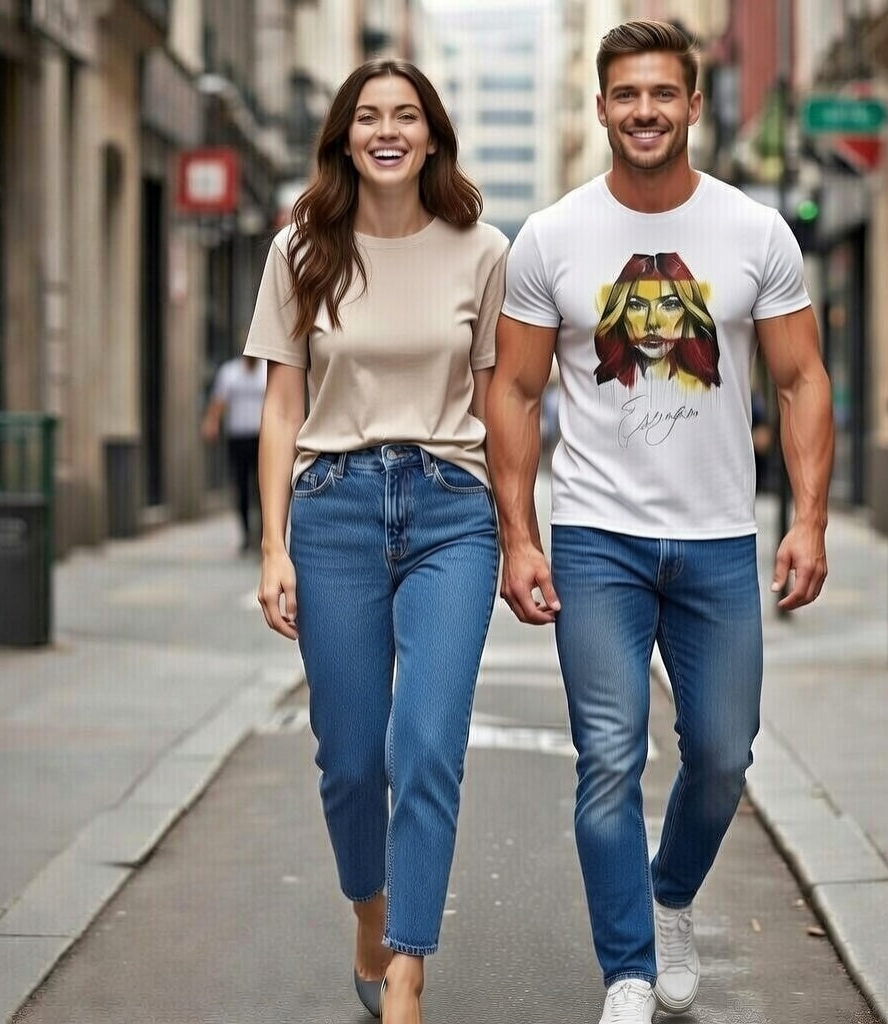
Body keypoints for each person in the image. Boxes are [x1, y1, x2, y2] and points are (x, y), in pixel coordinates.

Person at [486, 19, 833, 1024]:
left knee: (722, 755)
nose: (645, 110)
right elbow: (513, 391)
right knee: (608, 758)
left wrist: (808, 520)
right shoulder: (551, 237)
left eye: (662, 93)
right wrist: (520, 535)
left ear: (692, 103)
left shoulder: (755, 231)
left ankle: (669, 892)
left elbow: (802, 379)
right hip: (598, 538)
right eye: (627, 94)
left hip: (719, 538)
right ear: (601, 107)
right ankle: (628, 972)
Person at [243, 58, 507, 1024]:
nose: (386, 131)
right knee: (351, 758)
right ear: (344, 138)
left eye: (405, 116)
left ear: (432, 136)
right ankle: (369, 909)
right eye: (367, 117)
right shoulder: (300, 250)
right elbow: (282, 407)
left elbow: (499, 404)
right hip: (334, 511)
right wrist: (273, 546)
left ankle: (407, 969)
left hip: (452, 511)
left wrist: (519, 534)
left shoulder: (484, 249)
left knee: (427, 746)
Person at [200, 353, 268, 551]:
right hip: (237, 437)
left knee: (262, 486)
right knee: (241, 486)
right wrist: (212, 422)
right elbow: (219, 401)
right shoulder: (230, 372)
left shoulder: (266, 371)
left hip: (261, 438)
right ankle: (246, 532)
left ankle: (264, 532)